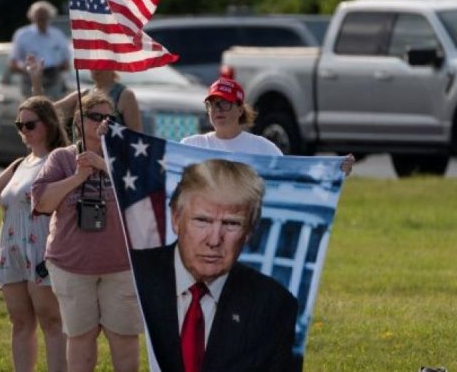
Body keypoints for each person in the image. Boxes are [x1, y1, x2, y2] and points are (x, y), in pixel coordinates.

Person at [131, 158, 298, 372]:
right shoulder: (135, 274)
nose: (214, 240)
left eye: (231, 223)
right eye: (202, 220)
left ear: (249, 232)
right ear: (175, 219)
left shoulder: (275, 305)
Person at [31, 92, 142, 372]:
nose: (104, 122)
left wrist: (103, 163)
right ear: (79, 121)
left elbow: (143, 196)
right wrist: (78, 177)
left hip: (122, 265)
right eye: (96, 117)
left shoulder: (127, 157)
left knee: (124, 338)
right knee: (81, 338)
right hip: (72, 265)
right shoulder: (61, 158)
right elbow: (42, 202)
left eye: (110, 118)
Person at [0, 96, 68, 372]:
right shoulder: (21, 162)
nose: (24, 130)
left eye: (30, 124)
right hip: (11, 249)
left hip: (41, 249)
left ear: (48, 124)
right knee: (20, 322)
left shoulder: (58, 159)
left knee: (51, 320)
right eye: (19, 125)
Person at [182, 76, 355, 174]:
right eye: (212, 104)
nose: (217, 110)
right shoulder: (191, 145)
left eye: (224, 103)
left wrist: (335, 169)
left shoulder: (262, 148)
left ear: (240, 110)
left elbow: (292, 175)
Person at [29, 59, 143, 133]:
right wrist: (36, 82)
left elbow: (136, 138)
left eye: (100, 61)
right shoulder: (84, 94)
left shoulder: (124, 95)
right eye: (92, 61)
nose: (94, 66)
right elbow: (47, 111)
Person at [10, 1, 72, 98]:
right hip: (30, 83)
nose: (41, 19)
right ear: (32, 17)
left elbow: (66, 63)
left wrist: (56, 69)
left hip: (54, 82)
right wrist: (29, 71)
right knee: (33, 109)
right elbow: (13, 64)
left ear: (50, 16)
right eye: (39, 16)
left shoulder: (58, 35)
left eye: (44, 16)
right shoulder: (22, 35)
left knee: (54, 110)